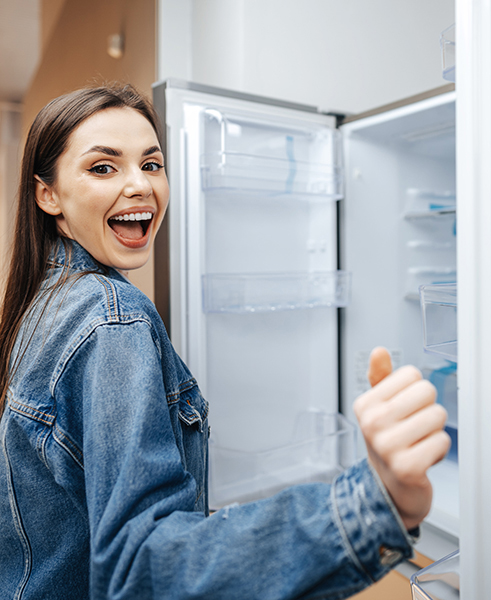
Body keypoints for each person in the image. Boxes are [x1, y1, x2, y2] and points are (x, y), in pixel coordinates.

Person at [0, 84, 450, 600]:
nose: (140, 186)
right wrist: (377, 502)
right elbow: (142, 569)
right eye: (104, 168)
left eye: (151, 164)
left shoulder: (45, 301)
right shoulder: (111, 321)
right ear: (47, 194)